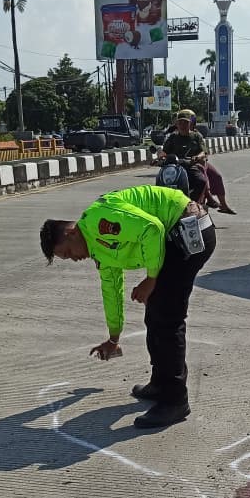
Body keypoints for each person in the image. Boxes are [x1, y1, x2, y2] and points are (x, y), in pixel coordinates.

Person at [39, 185, 217, 428]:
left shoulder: (100, 219)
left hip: (189, 231)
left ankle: (175, 400)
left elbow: (152, 229)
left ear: (71, 232)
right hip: (175, 239)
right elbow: (111, 290)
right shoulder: (98, 250)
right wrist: (113, 338)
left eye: (68, 253)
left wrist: (151, 278)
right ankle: (160, 383)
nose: (74, 258)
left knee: (167, 319)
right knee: (155, 315)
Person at [159, 112, 208, 201]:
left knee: (202, 182)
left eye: (185, 122)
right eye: (180, 123)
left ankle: (193, 203)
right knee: (160, 183)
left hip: (190, 166)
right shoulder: (173, 137)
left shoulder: (196, 136)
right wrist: (160, 157)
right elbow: (164, 151)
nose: (182, 125)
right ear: (176, 124)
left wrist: (197, 157)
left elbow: (203, 152)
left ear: (190, 124)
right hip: (174, 167)